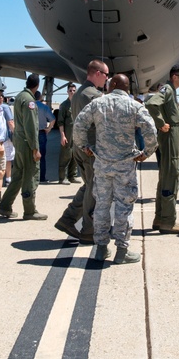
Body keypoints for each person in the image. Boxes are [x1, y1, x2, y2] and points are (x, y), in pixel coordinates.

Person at [74, 73, 158, 264]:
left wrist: (84, 146)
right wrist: (146, 152)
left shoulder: (97, 104)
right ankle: (122, 250)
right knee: (124, 206)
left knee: (102, 205)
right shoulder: (134, 105)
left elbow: (79, 124)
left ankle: (101, 248)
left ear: (112, 84)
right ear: (127, 88)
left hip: (103, 164)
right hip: (125, 165)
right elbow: (151, 131)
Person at [54, 59, 108, 242]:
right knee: (95, 190)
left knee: (88, 186)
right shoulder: (94, 95)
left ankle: (68, 219)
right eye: (106, 75)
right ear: (98, 74)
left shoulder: (77, 94)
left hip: (80, 147)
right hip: (91, 149)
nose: (107, 79)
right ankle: (88, 231)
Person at [145, 65, 179, 234]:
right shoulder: (168, 90)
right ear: (174, 77)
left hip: (170, 138)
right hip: (170, 139)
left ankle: (160, 218)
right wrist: (161, 123)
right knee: (171, 176)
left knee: (165, 177)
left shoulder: (170, 90)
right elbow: (151, 103)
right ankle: (168, 222)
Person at [0, 74, 46, 220]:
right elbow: (31, 126)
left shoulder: (20, 97)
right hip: (27, 143)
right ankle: (30, 210)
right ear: (37, 86)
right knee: (31, 176)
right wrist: (35, 149)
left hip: (19, 141)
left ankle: (5, 206)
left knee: (17, 176)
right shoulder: (30, 100)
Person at [55, 84, 79, 185]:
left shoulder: (77, 104)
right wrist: (62, 136)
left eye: (74, 90)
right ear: (67, 92)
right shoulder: (64, 105)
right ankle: (62, 178)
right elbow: (60, 122)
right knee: (65, 155)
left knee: (75, 156)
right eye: (70, 90)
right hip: (67, 134)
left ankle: (72, 176)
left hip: (76, 134)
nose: (72, 92)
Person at [35, 90, 56, 182]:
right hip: (42, 132)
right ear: (40, 98)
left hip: (31, 133)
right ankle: (42, 177)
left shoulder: (29, 106)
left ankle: (32, 177)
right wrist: (49, 129)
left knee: (31, 156)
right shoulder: (44, 107)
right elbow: (53, 119)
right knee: (42, 156)